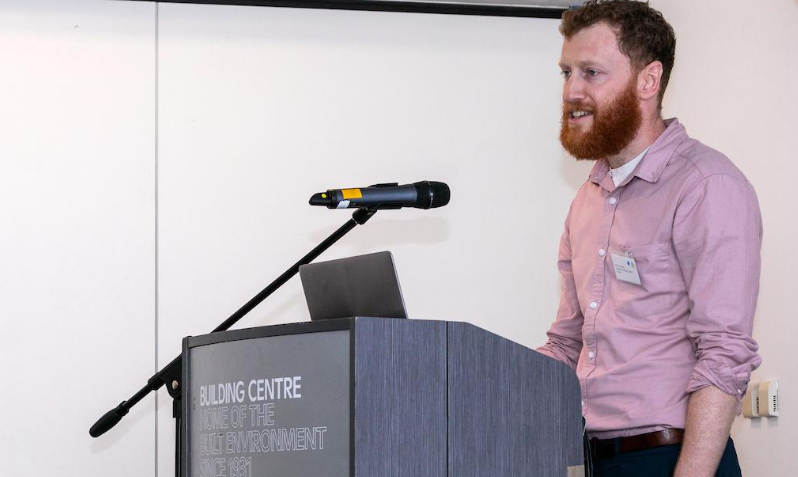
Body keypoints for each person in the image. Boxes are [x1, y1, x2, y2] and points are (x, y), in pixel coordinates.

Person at [535, 1, 762, 476]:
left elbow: (724, 353)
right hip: (597, 460)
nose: (572, 90)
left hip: (674, 459)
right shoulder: (587, 200)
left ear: (648, 79)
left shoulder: (706, 186)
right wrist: (463, 378)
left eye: (591, 72)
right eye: (566, 73)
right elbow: (565, 344)